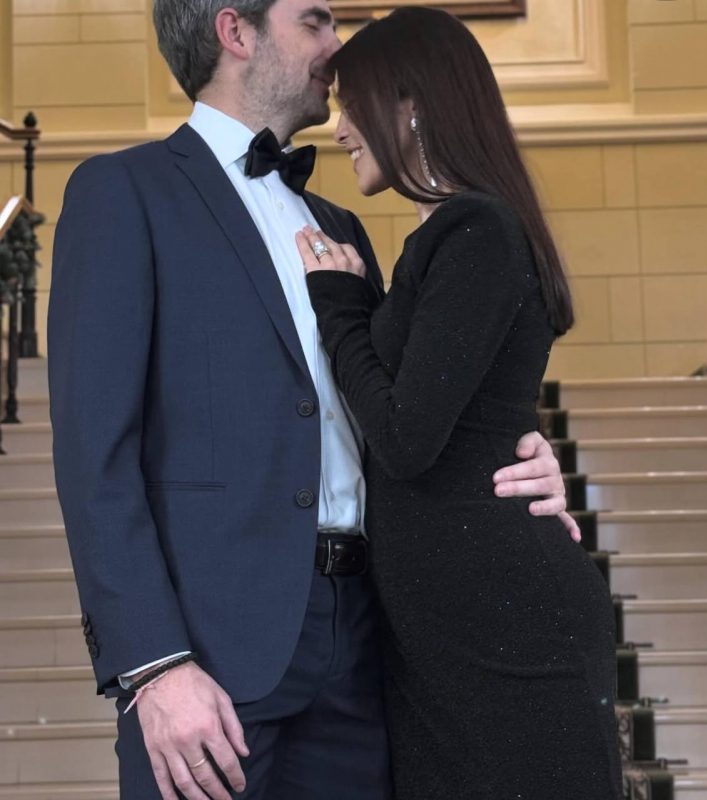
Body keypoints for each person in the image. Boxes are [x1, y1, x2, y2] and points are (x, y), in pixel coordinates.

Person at [48, 1, 576, 798]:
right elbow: (95, 454)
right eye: (317, 21)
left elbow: (401, 413)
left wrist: (522, 456)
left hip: (367, 647)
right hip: (210, 657)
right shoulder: (124, 192)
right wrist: (153, 664)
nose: (338, 45)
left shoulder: (344, 228)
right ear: (236, 32)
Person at [297, 7, 622, 800]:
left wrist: (341, 313)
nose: (340, 128)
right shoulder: (451, 235)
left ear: (410, 103)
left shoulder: (476, 228)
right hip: (450, 620)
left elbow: (407, 436)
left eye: (354, 104)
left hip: (501, 621)